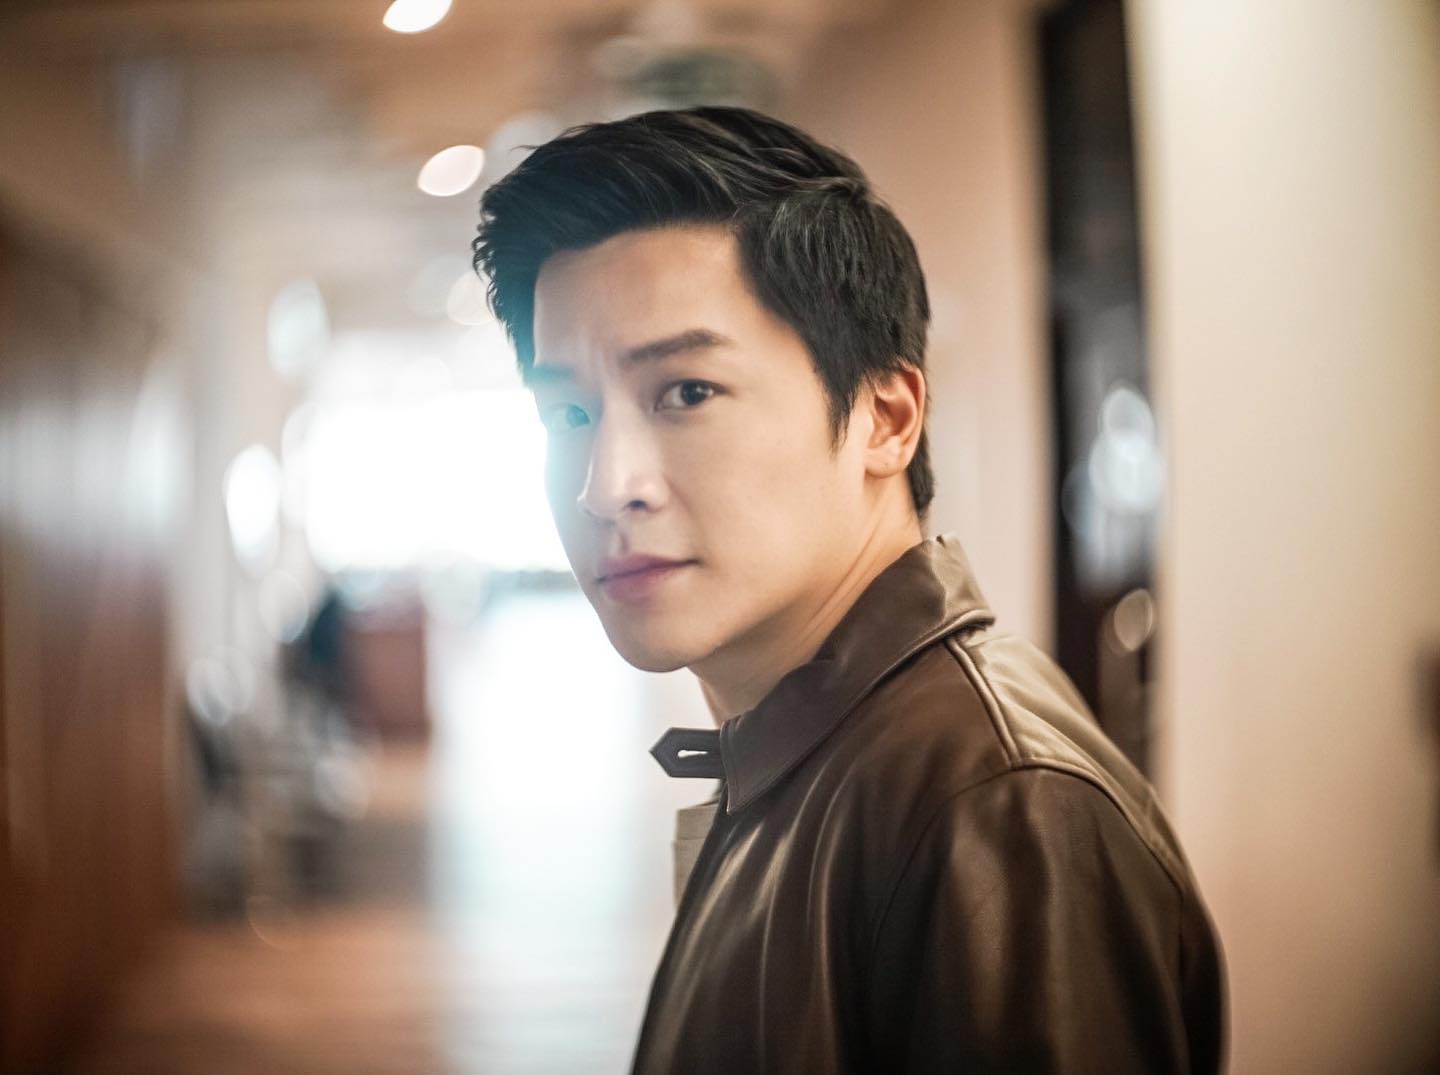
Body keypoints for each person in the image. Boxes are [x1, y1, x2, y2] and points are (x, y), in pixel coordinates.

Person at [472, 106, 1225, 1073]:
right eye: (568, 413)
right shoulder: (813, 747)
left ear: (885, 417)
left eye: (687, 391)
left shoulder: (996, 804)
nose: (606, 485)